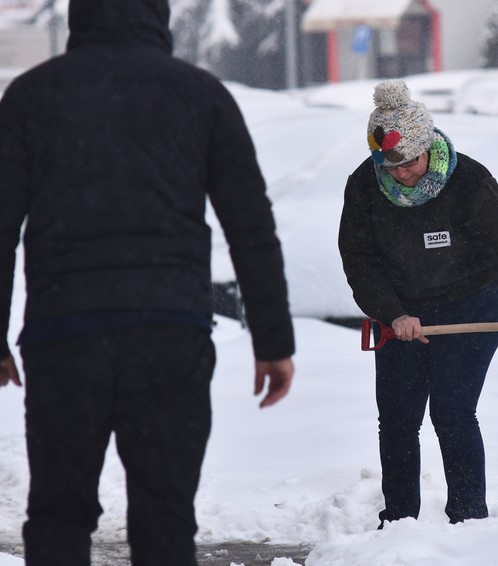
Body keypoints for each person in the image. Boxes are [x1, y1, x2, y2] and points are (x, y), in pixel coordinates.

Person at [0, 1, 295, 564]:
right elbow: (251, 227)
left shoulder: (31, 96)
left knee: (58, 516)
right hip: (168, 334)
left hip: (65, 333)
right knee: (164, 518)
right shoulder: (200, 94)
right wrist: (274, 343)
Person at [338, 80, 498, 527]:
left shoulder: (467, 180)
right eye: (389, 165)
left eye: (408, 162)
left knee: (452, 412)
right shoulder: (364, 186)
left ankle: (470, 520)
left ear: (426, 146)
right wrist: (393, 312)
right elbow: (360, 261)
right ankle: (398, 522)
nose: (400, 173)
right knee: (397, 418)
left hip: (471, 303)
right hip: (401, 312)